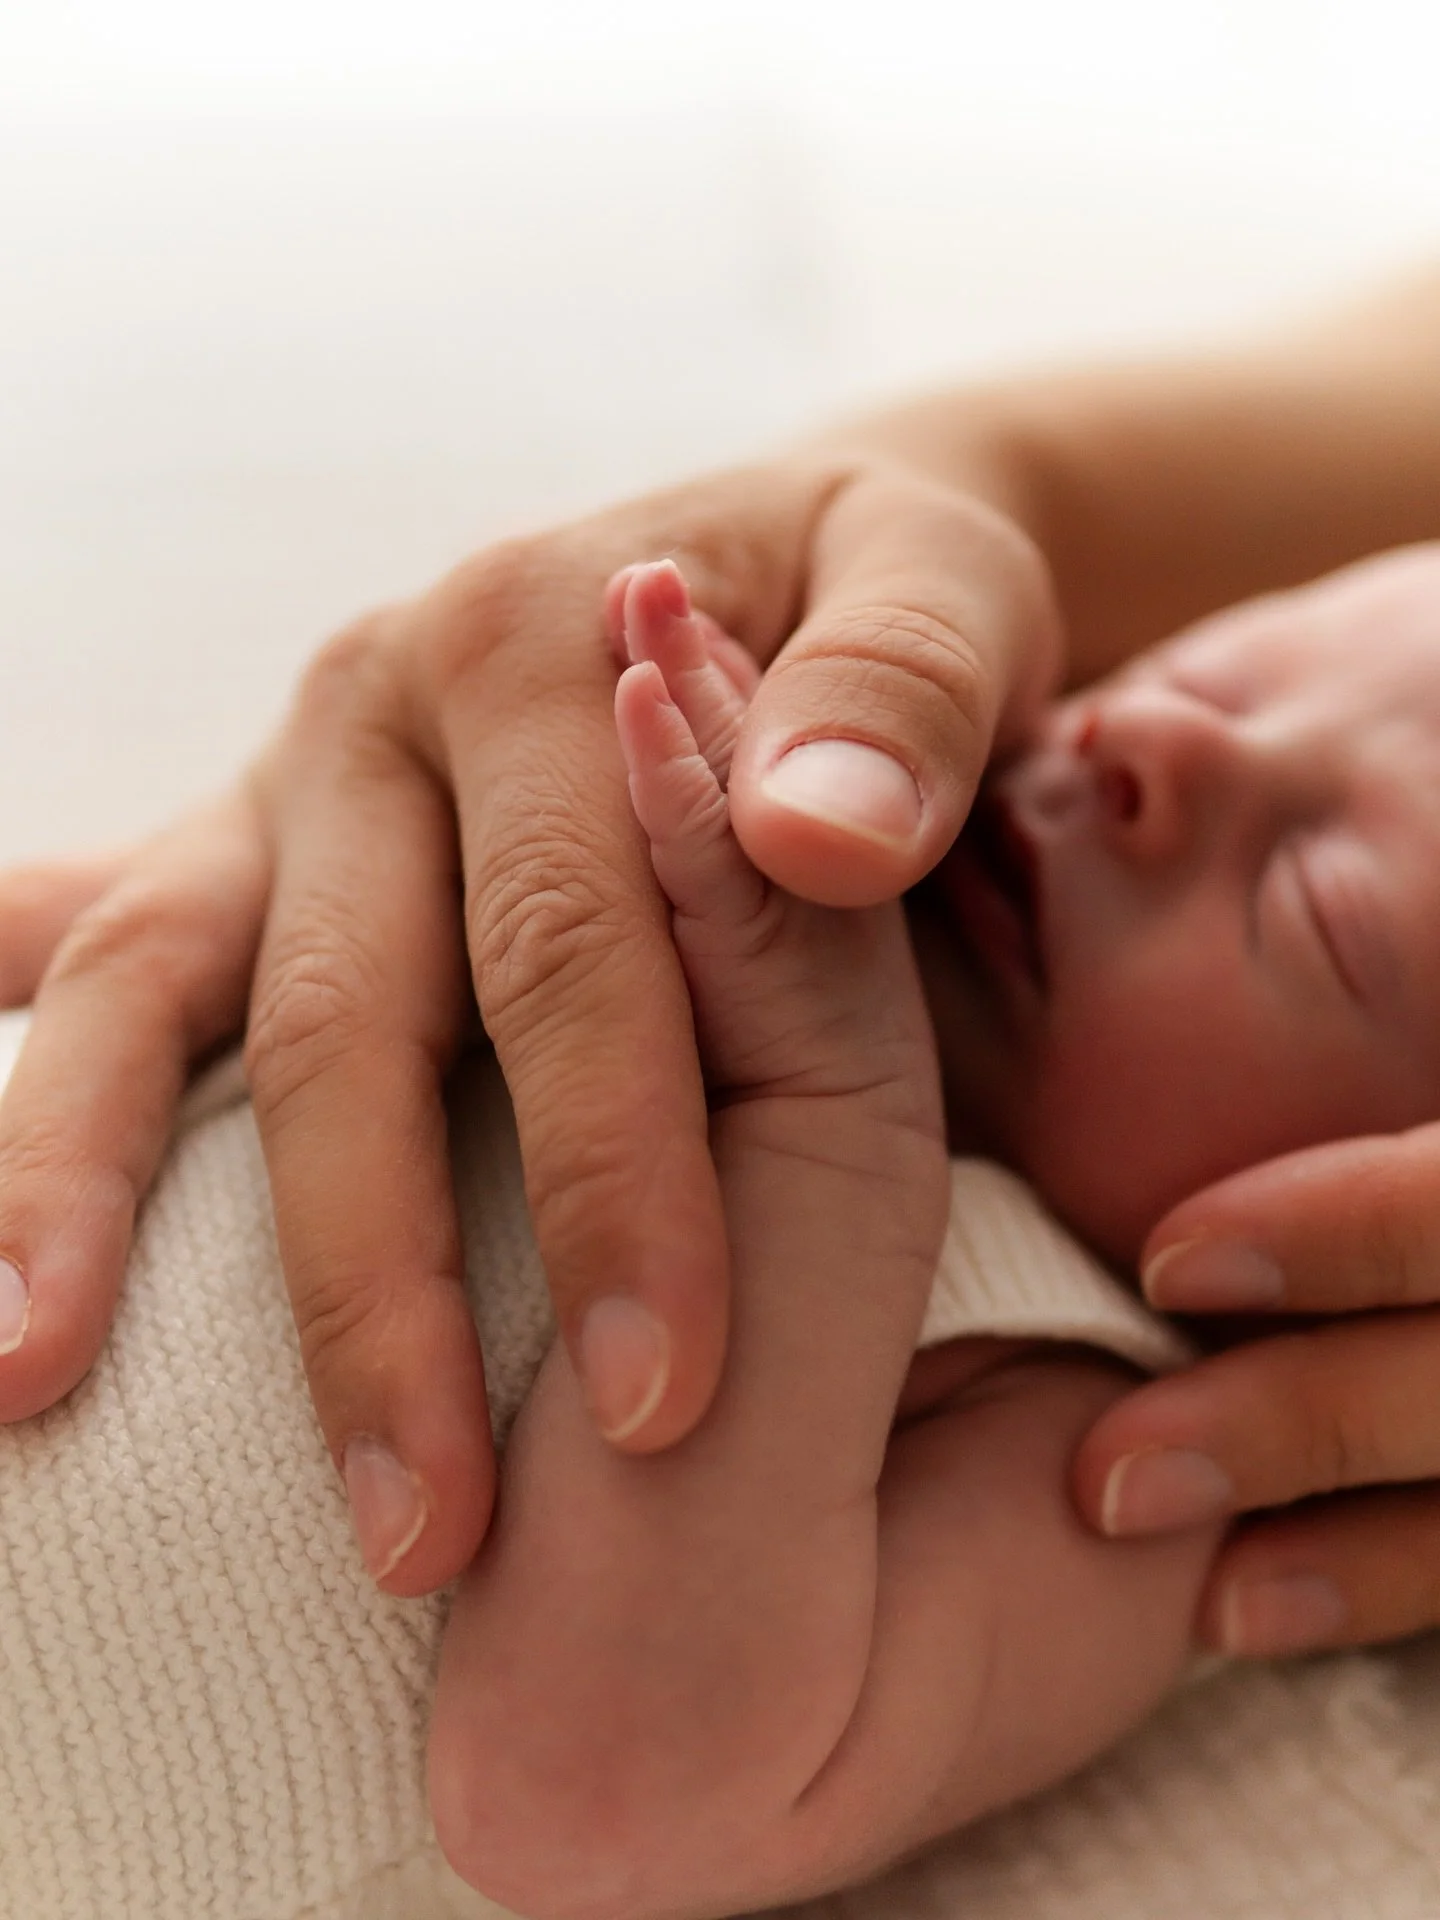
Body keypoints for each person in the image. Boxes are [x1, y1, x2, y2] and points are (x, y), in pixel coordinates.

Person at [2, 266, 1440, 1658]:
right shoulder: (770, 853)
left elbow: (580, 1798)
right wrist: (863, 551)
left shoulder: (1084, 1426)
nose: (1151, 740)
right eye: (1193, 668)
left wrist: (836, 1114)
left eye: (1315, 908)